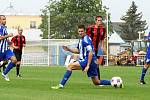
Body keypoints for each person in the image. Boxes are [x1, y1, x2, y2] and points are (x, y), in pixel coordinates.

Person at [51, 25, 110, 89]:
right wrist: (69, 49)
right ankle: (113, 82)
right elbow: (78, 51)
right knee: (97, 82)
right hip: (92, 61)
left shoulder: (86, 40)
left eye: (82, 31)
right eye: (79, 31)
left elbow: (90, 52)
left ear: (85, 31)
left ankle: (61, 85)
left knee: (70, 66)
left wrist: (87, 65)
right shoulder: (81, 40)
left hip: (88, 60)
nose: (80, 32)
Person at [0, 15, 17, 81]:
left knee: (14, 60)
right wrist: (8, 35)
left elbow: (5, 38)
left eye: (5, 19)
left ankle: (4, 73)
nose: (5, 20)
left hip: (6, 49)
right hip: (0, 49)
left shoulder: (4, 28)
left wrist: (10, 43)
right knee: (5, 62)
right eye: (3, 19)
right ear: (0, 20)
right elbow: (0, 37)